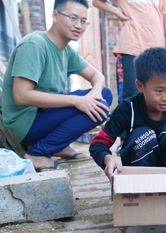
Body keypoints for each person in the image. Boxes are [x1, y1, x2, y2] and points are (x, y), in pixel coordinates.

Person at [1, 0, 113, 172]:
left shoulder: (66, 51)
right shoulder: (35, 45)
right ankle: (38, 153)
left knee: (104, 95)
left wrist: (95, 93)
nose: (79, 26)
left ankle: (58, 146)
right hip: (23, 122)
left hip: (42, 114)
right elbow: (21, 95)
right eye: (73, 18)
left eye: (83, 21)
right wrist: (76, 101)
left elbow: (97, 76)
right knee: (101, 107)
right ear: (55, 15)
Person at [89, 47, 166, 179]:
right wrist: (108, 158)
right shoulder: (127, 109)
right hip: (138, 179)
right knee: (143, 134)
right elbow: (97, 144)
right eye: (159, 91)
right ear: (140, 86)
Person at [92, 0, 166, 103]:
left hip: (156, 51)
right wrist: (115, 11)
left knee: (157, 92)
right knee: (131, 95)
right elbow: (96, 2)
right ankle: (129, 119)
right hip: (130, 48)